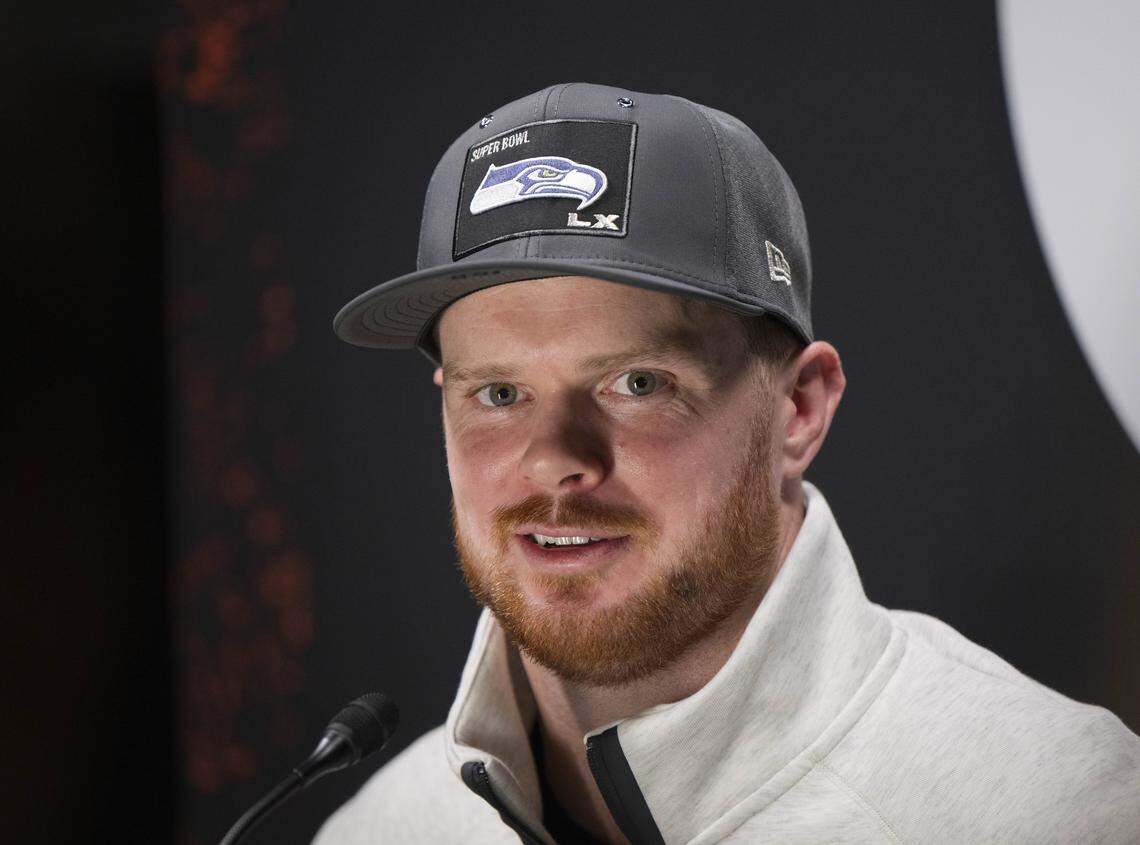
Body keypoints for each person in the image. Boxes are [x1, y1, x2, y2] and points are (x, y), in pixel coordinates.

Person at [314, 84, 1140, 844]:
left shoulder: (1059, 811)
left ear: (799, 410)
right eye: (497, 393)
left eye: (637, 383)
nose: (555, 461)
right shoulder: (379, 829)